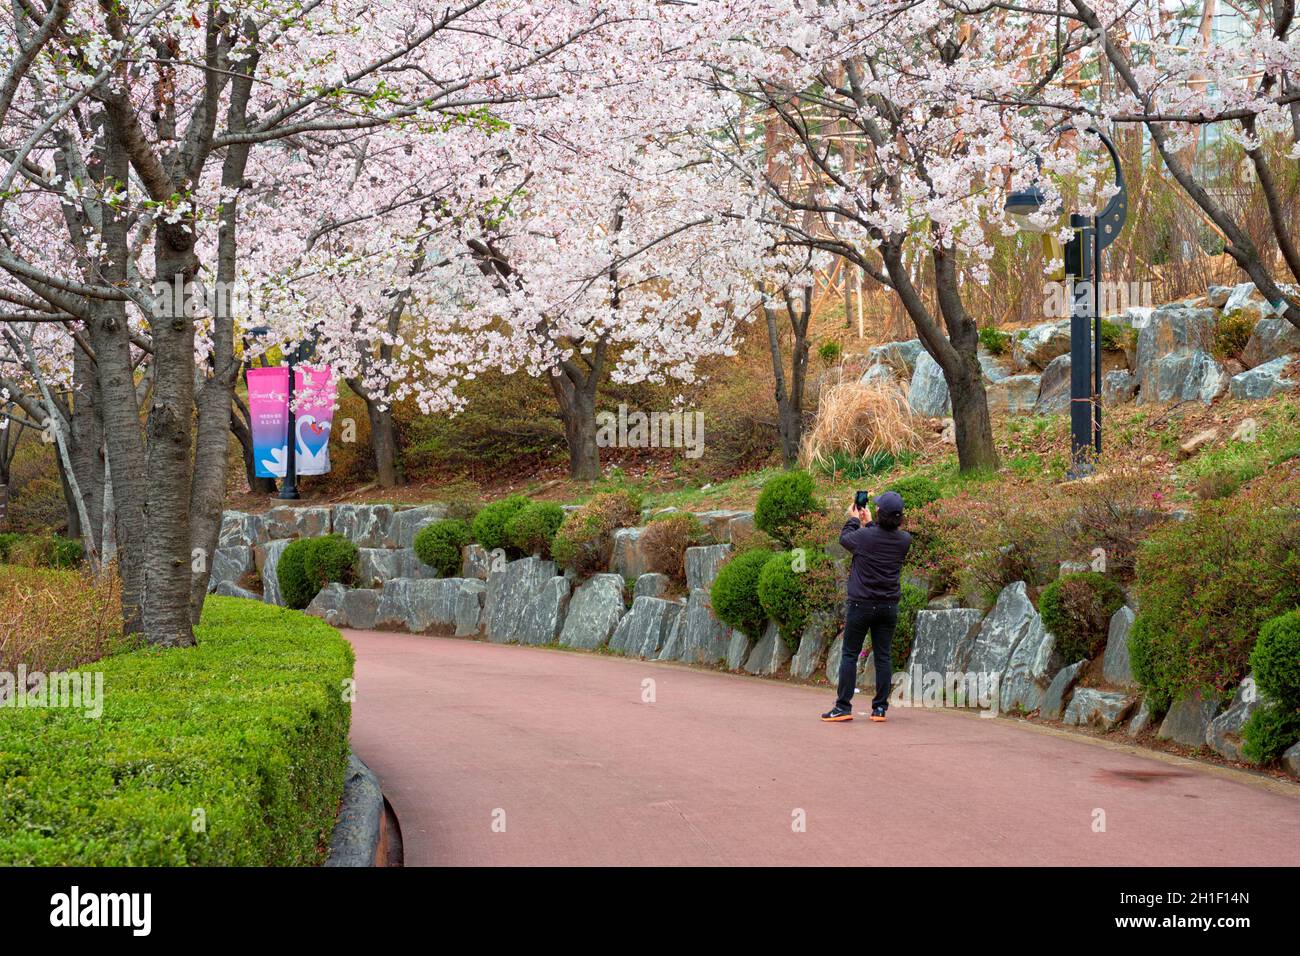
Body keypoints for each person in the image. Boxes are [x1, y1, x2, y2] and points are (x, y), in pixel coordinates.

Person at [821, 490, 912, 723]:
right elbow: (881, 538)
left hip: (861, 604)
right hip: (888, 606)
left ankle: (843, 707)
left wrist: (853, 519)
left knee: (850, 654)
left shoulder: (863, 537)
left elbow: (845, 539)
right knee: (883, 656)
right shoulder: (904, 541)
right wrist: (870, 523)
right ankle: (880, 709)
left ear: (880, 512)